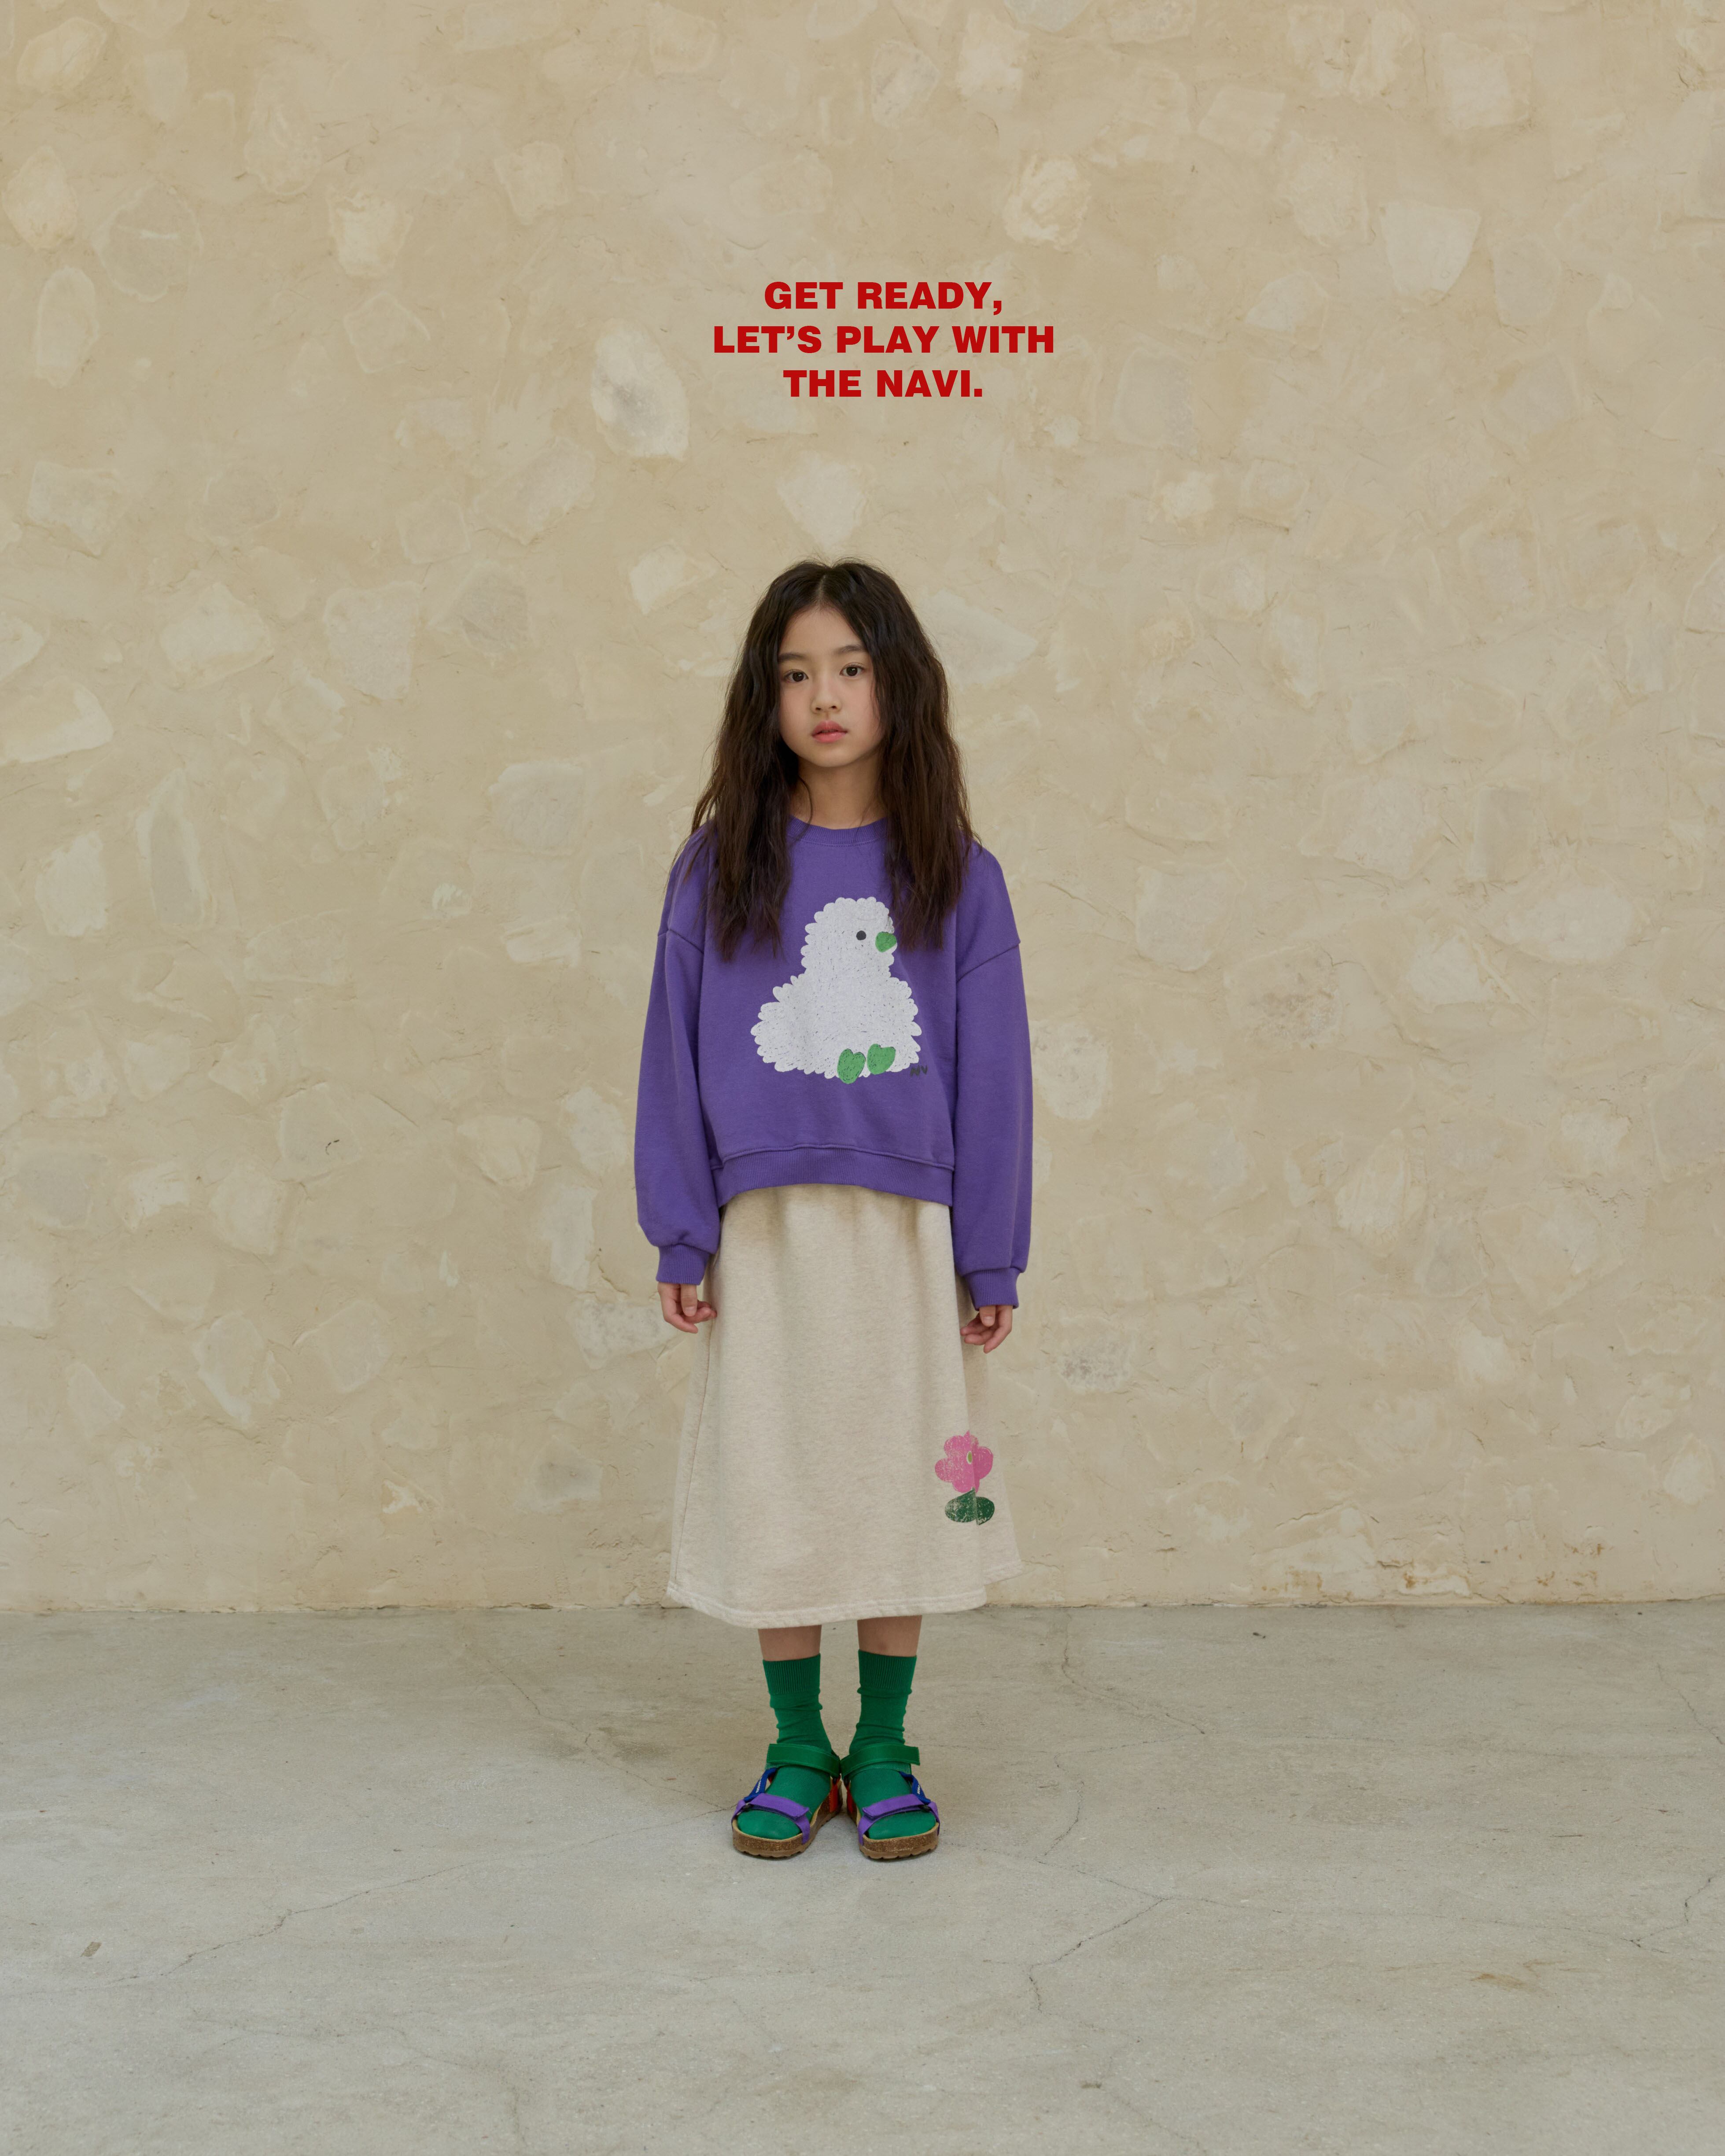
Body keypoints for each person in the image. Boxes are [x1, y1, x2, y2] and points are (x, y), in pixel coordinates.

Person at [633, 557, 1033, 1861]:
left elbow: (996, 1077)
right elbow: (673, 1051)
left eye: (851, 669)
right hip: (766, 1229)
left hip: (908, 1230)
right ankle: (799, 1744)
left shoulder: (957, 875)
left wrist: (991, 1255)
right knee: (781, 1473)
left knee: (900, 1479)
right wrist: (682, 1227)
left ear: (897, 686)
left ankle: (886, 1744)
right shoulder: (718, 870)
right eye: (797, 673)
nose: (825, 697)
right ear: (765, 697)